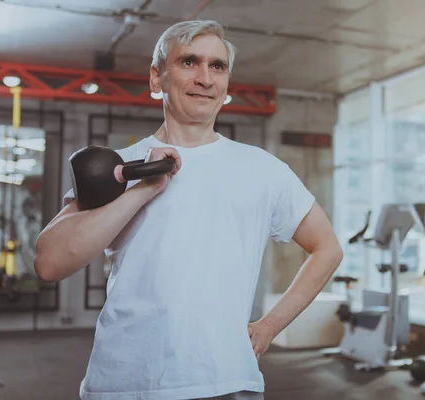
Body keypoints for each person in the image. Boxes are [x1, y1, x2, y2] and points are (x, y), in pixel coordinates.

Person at [34, 20, 343, 400]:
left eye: (218, 66)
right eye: (188, 62)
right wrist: (143, 188)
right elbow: (49, 262)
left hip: (226, 381)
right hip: (124, 383)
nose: (205, 78)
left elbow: (327, 248)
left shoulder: (264, 170)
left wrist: (269, 326)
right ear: (156, 78)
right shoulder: (123, 164)